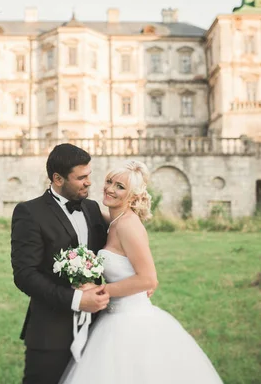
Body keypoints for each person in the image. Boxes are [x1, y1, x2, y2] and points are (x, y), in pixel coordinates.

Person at [60, 160, 224, 384]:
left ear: (133, 196)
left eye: (120, 187)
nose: (110, 189)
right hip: (112, 317)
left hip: (131, 321)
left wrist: (99, 290)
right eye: (109, 181)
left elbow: (148, 278)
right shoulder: (115, 221)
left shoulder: (128, 225)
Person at [11, 143, 110, 384]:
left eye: (89, 175)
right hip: (49, 333)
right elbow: (25, 275)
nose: (89, 182)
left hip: (98, 330)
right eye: (81, 177)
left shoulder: (92, 208)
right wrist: (76, 300)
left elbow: (115, 247)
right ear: (57, 178)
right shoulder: (29, 212)